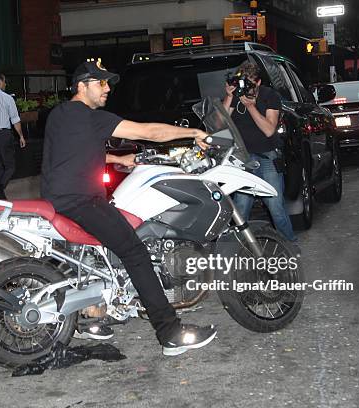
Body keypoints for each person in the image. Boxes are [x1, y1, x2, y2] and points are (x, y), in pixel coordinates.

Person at [41, 60, 217, 356]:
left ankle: (91, 318)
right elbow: (149, 132)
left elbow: (72, 152)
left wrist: (116, 160)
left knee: (99, 253)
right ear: (82, 86)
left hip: (57, 198)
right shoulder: (92, 118)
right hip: (81, 200)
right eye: (101, 83)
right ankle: (170, 332)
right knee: (135, 253)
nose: (107, 88)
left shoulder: (59, 114)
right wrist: (193, 133)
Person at [222, 62, 296, 242]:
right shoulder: (236, 96)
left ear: (259, 82)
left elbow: (269, 130)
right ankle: (239, 248)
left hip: (267, 156)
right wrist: (229, 97)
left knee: (275, 206)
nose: (248, 89)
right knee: (241, 207)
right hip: (244, 159)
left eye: (251, 85)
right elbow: (220, 123)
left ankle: (290, 245)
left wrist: (251, 107)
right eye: (244, 84)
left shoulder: (270, 96)